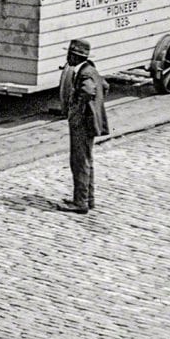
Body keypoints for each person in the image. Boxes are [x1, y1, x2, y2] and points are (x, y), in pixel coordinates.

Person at [60, 38, 109, 213]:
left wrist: (77, 109)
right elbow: (104, 86)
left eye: (70, 55)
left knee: (79, 161)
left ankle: (80, 202)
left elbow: (88, 91)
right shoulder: (91, 69)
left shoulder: (85, 73)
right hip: (90, 122)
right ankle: (89, 199)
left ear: (75, 56)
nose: (67, 58)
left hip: (82, 123)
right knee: (87, 160)